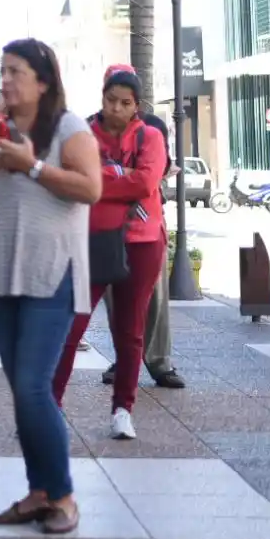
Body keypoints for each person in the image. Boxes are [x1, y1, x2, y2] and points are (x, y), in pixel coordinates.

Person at [0, 38, 101, 535]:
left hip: (49, 271)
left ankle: (62, 497)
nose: (6, 79)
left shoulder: (67, 127)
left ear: (43, 80)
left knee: (35, 387)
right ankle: (39, 492)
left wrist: (31, 166)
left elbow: (91, 188)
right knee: (22, 390)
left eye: (16, 71)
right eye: (3, 70)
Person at [53, 66, 168, 440]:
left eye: (126, 103)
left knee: (130, 331)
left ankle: (123, 409)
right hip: (94, 238)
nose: (117, 109)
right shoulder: (83, 133)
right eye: (110, 100)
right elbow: (73, 179)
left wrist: (102, 179)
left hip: (142, 241)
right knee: (71, 327)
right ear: (101, 97)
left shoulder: (150, 136)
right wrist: (117, 180)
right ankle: (49, 408)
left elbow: (146, 181)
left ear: (136, 105)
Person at [100, 105, 186, 389]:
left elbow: (156, 173)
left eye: (125, 99)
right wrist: (127, 174)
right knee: (116, 301)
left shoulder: (151, 128)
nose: (118, 106)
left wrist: (124, 174)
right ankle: (124, 359)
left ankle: (160, 361)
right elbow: (94, 173)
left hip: (148, 227)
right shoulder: (98, 130)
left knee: (156, 299)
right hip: (111, 228)